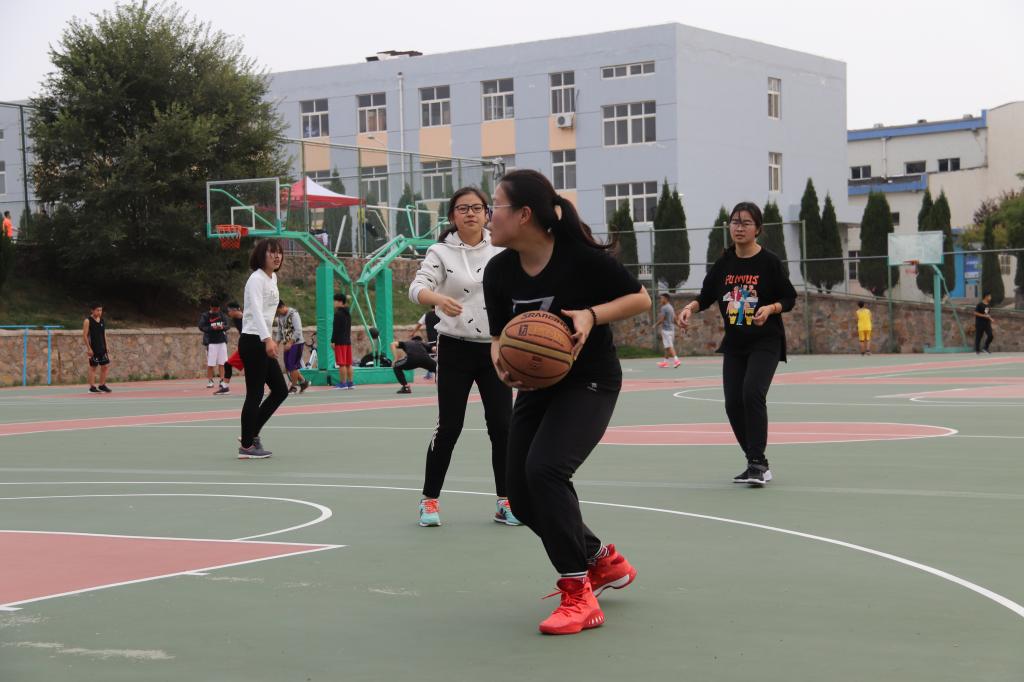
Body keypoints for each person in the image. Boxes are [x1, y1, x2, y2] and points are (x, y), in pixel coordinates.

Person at [483, 169, 651, 635]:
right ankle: (600, 559)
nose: (490, 215)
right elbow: (499, 338)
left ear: (524, 214)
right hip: (536, 387)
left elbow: (640, 299)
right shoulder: (498, 272)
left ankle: (579, 594)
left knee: (546, 470)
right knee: (519, 495)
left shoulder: (581, 259)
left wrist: (591, 315)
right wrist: (502, 363)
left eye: (496, 205)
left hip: (590, 381)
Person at [409, 186, 517, 529]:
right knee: (449, 427)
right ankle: (429, 500)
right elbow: (417, 288)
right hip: (455, 347)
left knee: (503, 427)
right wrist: (438, 300)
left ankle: (506, 501)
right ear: (452, 216)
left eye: (477, 208)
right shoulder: (440, 252)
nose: (470, 213)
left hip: (494, 347)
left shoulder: (502, 249)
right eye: (462, 208)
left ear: (487, 213)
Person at [677, 202, 797, 487]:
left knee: (751, 392)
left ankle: (757, 464)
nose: (739, 228)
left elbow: (789, 297)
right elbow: (706, 295)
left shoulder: (769, 262)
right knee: (733, 403)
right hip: (735, 343)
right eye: (735, 222)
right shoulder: (724, 263)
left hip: (766, 340)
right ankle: (756, 461)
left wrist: (770, 308)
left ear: (758, 229)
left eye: (745, 223)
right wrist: (689, 308)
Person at [237, 239, 289, 459]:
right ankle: (247, 447)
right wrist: (267, 339)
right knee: (255, 394)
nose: (277, 256)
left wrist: (270, 338)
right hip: (253, 340)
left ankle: (250, 433)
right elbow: (257, 312)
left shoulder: (272, 278)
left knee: (280, 390)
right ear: (261, 255)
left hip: (262, 340)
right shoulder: (256, 279)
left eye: (279, 253)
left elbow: (268, 314)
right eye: (271, 253)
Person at [275, 301, 310, 393]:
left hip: (296, 343)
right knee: (288, 366)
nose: (278, 313)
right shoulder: (280, 317)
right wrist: (276, 344)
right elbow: (280, 331)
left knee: (292, 365)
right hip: (286, 344)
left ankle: (294, 386)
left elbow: (298, 330)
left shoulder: (293, 314)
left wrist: (290, 343)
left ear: (282, 306)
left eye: (278, 310)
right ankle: (303, 382)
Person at [214, 302, 243, 395]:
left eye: (229, 311)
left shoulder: (247, 318)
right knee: (228, 364)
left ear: (234, 310)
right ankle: (225, 387)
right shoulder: (235, 318)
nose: (228, 313)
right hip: (245, 346)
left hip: (253, 346)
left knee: (258, 368)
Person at [82, 303, 112, 393]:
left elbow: (104, 334)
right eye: (97, 310)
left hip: (102, 347)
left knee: (105, 366)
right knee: (93, 367)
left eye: (101, 310)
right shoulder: (88, 321)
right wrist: (89, 348)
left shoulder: (102, 320)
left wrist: (106, 345)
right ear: (92, 310)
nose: (99, 312)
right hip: (93, 348)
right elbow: (84, 336)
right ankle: (92, 387)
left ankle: (102, 385)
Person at [199, 302, 230, 388]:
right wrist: (212, 328)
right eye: (214, 309)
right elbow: (201, 326)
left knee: (222, 363)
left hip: (222, 342)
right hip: (211, 343)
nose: (215, 310)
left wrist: (222, 327)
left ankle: (222, 380)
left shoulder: (222, 315)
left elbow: (228, 325)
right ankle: (210, 381)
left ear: (219, 308)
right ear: (211, 307)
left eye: (217, 309)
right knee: (211, 363)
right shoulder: (205, 316)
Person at [331, 293, 354, 390]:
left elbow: (336, 329)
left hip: (340, 342)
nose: (334, 303)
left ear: (340, 302)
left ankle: (343, 383)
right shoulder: (348, 313)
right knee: (348, 363)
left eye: (335, 301)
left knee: (341, 363)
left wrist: (333, 341)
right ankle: (350, 383)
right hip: (347, 341)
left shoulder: (338, 314)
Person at [411, 309, 441, 380]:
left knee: (431, 355)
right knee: (439, 354)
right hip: (440, 337)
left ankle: (430, 373)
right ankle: (434, 373)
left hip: (431, 338)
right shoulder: (441, 313)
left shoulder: (427, 315)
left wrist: (413, 332)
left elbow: (419, 324)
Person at [654, 293, 680, 368]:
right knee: (667, 347)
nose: (660, 300)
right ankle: (665, 362)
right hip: (671, 330)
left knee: (669, 346)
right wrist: (679, 325)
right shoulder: (671, 307)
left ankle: (676, 360)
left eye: (661, 298)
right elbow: (674, 318)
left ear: (666, 299)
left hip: (666, 330)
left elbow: (662, 319)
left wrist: (655, 325)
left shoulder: (664, 308)